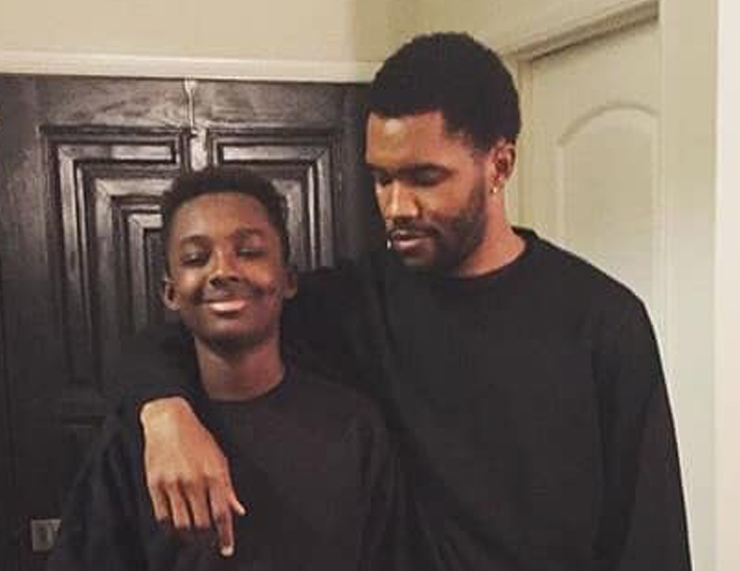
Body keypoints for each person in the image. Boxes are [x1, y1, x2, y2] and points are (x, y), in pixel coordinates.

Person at [128, 32, 691, 571]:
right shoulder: (354, 305)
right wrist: (165, 414)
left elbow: (652, 536)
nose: (396, 207)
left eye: (425, 178)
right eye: (382, 179)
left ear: (499, 165)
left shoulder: (602, 321)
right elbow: (180, 334)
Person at [49, 168, 403, 570]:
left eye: (249, 252)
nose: (222, 271)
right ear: (170, 292)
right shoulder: (136, 438)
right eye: (196, 258)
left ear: (289, 279)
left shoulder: (354, 427)